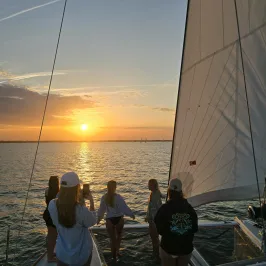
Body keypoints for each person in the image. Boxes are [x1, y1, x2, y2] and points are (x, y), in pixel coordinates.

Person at [48, 172, 96, 266]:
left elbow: (62, 203)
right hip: (81, 257)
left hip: (62, 256)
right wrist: (91, 202)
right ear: (77, 188)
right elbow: (93, 221)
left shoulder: (52, 205)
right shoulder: (81, 209)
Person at [154, 178, 198, 266]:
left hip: (169, 248)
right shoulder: (190, 208)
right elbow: (194, 228)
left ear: (169, 191)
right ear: (181, 191)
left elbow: (159, 229)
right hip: (186, 249)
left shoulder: (164, 208)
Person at [97, 180, 135, 261]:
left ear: (107, 187)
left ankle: (114, 256)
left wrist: (99, 219)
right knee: (118, 237)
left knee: (112, 239)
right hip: (119, 219)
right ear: (115, 188)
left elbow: (101, 210)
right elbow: (124, 208)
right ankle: (117, 252)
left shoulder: (104, 197)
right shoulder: (118, 197)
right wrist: (131, 214)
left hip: (109, 220)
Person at [43, 175, 59, 262]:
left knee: (51, 235)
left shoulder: (47, 191)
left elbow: (47, 202)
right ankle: (50, 257)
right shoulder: (58, 193)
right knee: (52, 236)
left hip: (47, 214)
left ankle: (51, 253)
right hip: (52, 215)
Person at [145, 179, 162, 256]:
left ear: (153, 185)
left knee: (155, 238)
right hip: (151, 220)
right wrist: (147, 216)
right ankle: (155, 252)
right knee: (153, 237)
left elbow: (158, 207)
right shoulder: (152, 193)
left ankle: (157, 254)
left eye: (149, 184)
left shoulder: (156, 194)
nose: (148, 185)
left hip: (155, 221)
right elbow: (150, 208)